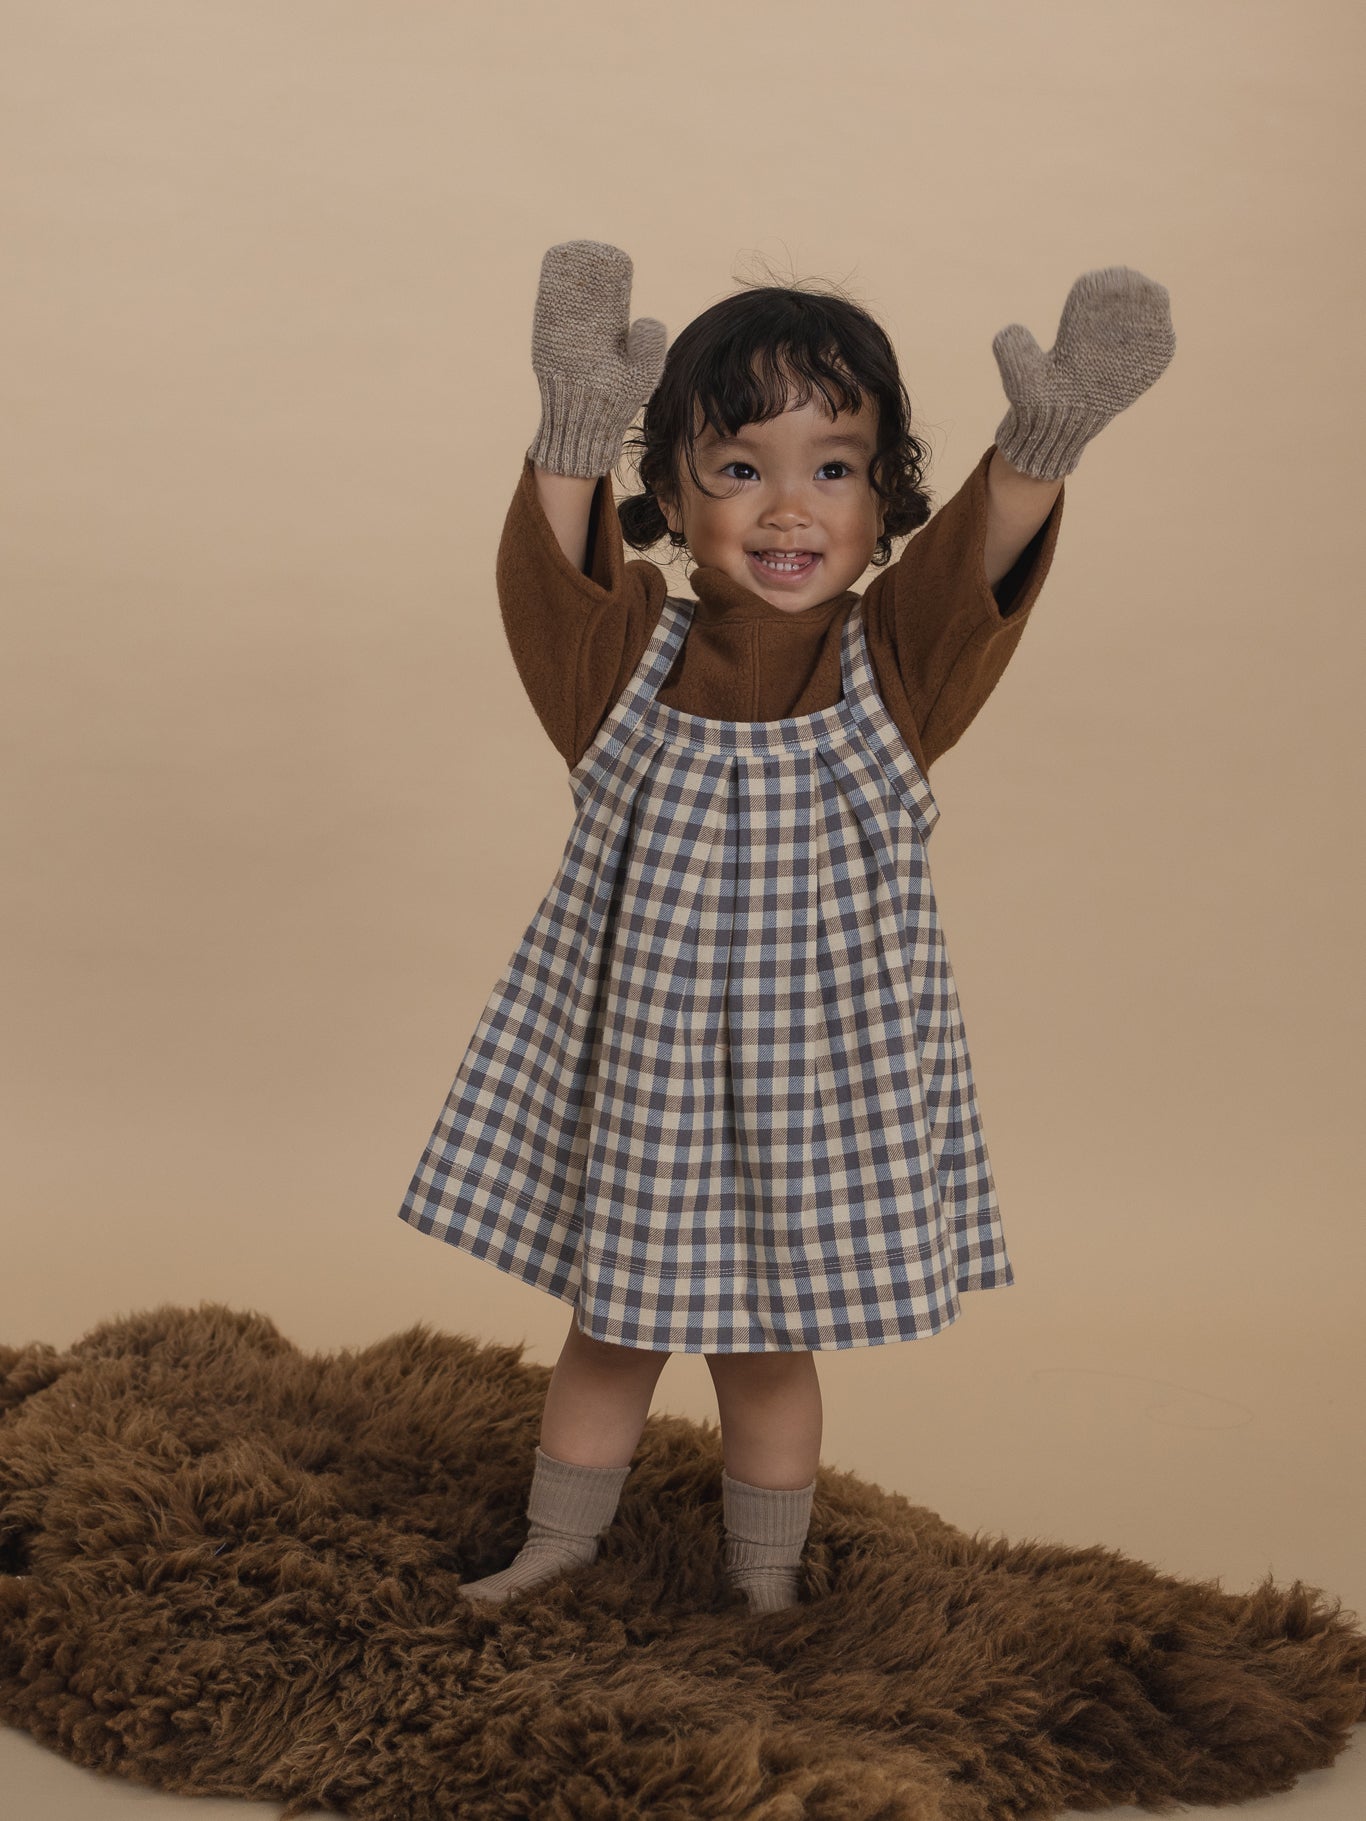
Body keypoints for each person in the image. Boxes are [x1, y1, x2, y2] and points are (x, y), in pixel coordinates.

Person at [396, 241, 1175, 1614]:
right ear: (671, 496)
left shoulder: (892, 671)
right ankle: (557, 1546)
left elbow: (972, 569)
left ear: (884, 501)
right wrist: (572, 421)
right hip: (643, 1086)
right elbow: (552, 585)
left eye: (832, 466)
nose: (786, 507)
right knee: (607, 1330)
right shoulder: (624, 666)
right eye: (738, 466)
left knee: (765, 1354)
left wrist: (1045, 440)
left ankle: (767, 1585)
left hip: (811, 1096)